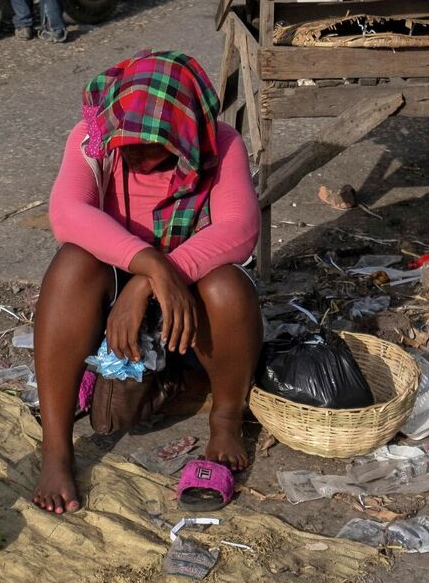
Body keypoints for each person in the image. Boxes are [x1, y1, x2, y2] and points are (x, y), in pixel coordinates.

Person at [30, 50, 261, 514]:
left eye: (152, 144)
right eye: (127, 140)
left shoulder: (221, 144)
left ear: (183, 136)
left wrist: (153, 279)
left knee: (227, 286)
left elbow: (240, 229)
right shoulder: (94, 141)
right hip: (115, 297)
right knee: (72, 263)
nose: (133, 150)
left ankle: (226, 417)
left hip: (190, 305)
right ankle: (55, 449)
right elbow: (67, 214)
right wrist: (147, 266)